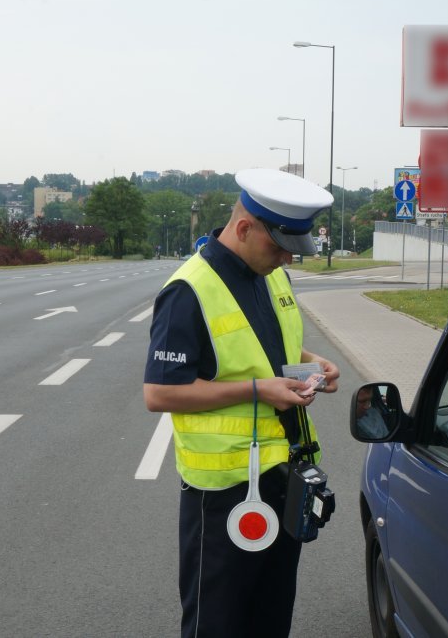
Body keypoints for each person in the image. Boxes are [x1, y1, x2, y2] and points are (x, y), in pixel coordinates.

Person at [143, 168, 341, 637]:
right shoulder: (188, 290)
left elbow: (271, 347)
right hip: (225, 493)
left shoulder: (269, 274)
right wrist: (258, 390)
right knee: (219, 624)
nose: (286, 256)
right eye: (278, 246)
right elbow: (159, 393)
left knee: (270, 620)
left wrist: (315, 362)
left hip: (282, 476)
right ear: (244, 228)